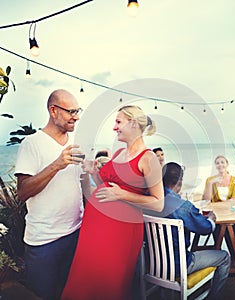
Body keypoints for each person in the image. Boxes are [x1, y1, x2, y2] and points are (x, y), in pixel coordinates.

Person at [62, 105, 164, 300]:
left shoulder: (148, 158)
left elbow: (158, 203)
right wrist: (93, 173)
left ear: (134, 123)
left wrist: (122, 196)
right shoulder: (118, 154)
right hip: (93, 228)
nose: (114, 128)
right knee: (84, 279)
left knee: (107, 283)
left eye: (118, 122)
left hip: (120, 230)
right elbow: (107, 187)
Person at [14, 89, 86, 300]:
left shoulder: (75, 143)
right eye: (71, 111)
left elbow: (79, 185)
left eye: (77, 110)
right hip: (45, 241)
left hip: (75, 233)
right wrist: (57, 164)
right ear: (53, 111)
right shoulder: (31, 144)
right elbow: (23, 192)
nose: (76, 116)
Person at [149, 162, 230, 300]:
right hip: (179, 265)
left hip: (152, 263)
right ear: (180, 181)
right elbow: (206, 229)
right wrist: (211, 219)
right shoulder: (183, 207)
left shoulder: (148, 199)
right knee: (224, 257)